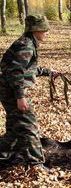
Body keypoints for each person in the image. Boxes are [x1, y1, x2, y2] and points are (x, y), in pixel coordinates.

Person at [0, 15, 58, 171]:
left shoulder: (28, 43)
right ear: (36, 30)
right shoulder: (25, 45)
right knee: (29, 126)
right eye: (44, 29)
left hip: (8, 89)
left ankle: (3, 155)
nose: (47, 32)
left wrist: (47, 72)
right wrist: (20, 96)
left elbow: (26, 69)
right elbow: (15, 71)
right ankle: (35, 164)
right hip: (13, 91)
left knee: (14, 127)